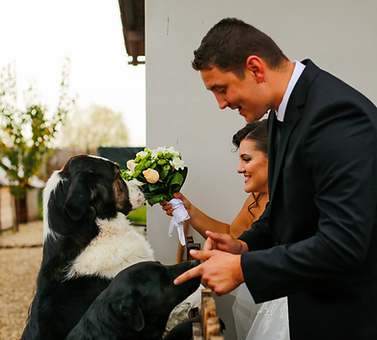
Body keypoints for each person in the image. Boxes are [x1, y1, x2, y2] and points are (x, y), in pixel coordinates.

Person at [172, 17, 377, 340]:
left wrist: (242, 269)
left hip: (349, 318)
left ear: (255, 68)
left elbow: (343, 245)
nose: (221, 103)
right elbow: (286, 207)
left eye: (221, 89)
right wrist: (243, 245)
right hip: (312, 310)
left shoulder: (336, 116)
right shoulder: (283, 113)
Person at [162, 120, 289, 340]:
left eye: (246, 159)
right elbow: (232, 235)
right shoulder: (257, 197)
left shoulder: (297, 200)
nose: (240, 168)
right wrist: (189, 210)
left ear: (275, 157)